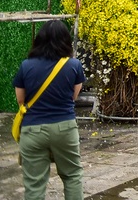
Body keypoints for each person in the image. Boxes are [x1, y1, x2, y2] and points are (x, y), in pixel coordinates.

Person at [12, 20, 86, 200]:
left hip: (33, 130)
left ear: (40, 40)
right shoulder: (74, 65)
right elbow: (73, 97)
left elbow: (21, 100)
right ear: (65, 41)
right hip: (65, 128)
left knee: (34, 185)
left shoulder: (26, 66)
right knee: (72, 176)